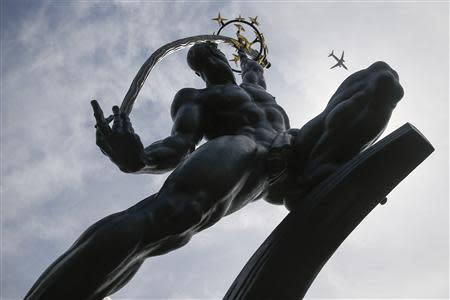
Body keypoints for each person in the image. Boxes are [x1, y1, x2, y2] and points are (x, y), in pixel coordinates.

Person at [24, 42, 403, 300]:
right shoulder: (196, 98)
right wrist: (139, 159)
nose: (211, 57)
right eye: (202, 57)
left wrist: (251, 60)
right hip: (242, 149)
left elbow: (254, 71)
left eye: (213, 52)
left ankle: (323, 173)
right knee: (172, 215)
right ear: (200, 68)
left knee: (380, 80)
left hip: (298, 147)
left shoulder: (257, 87)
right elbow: (178, 144)